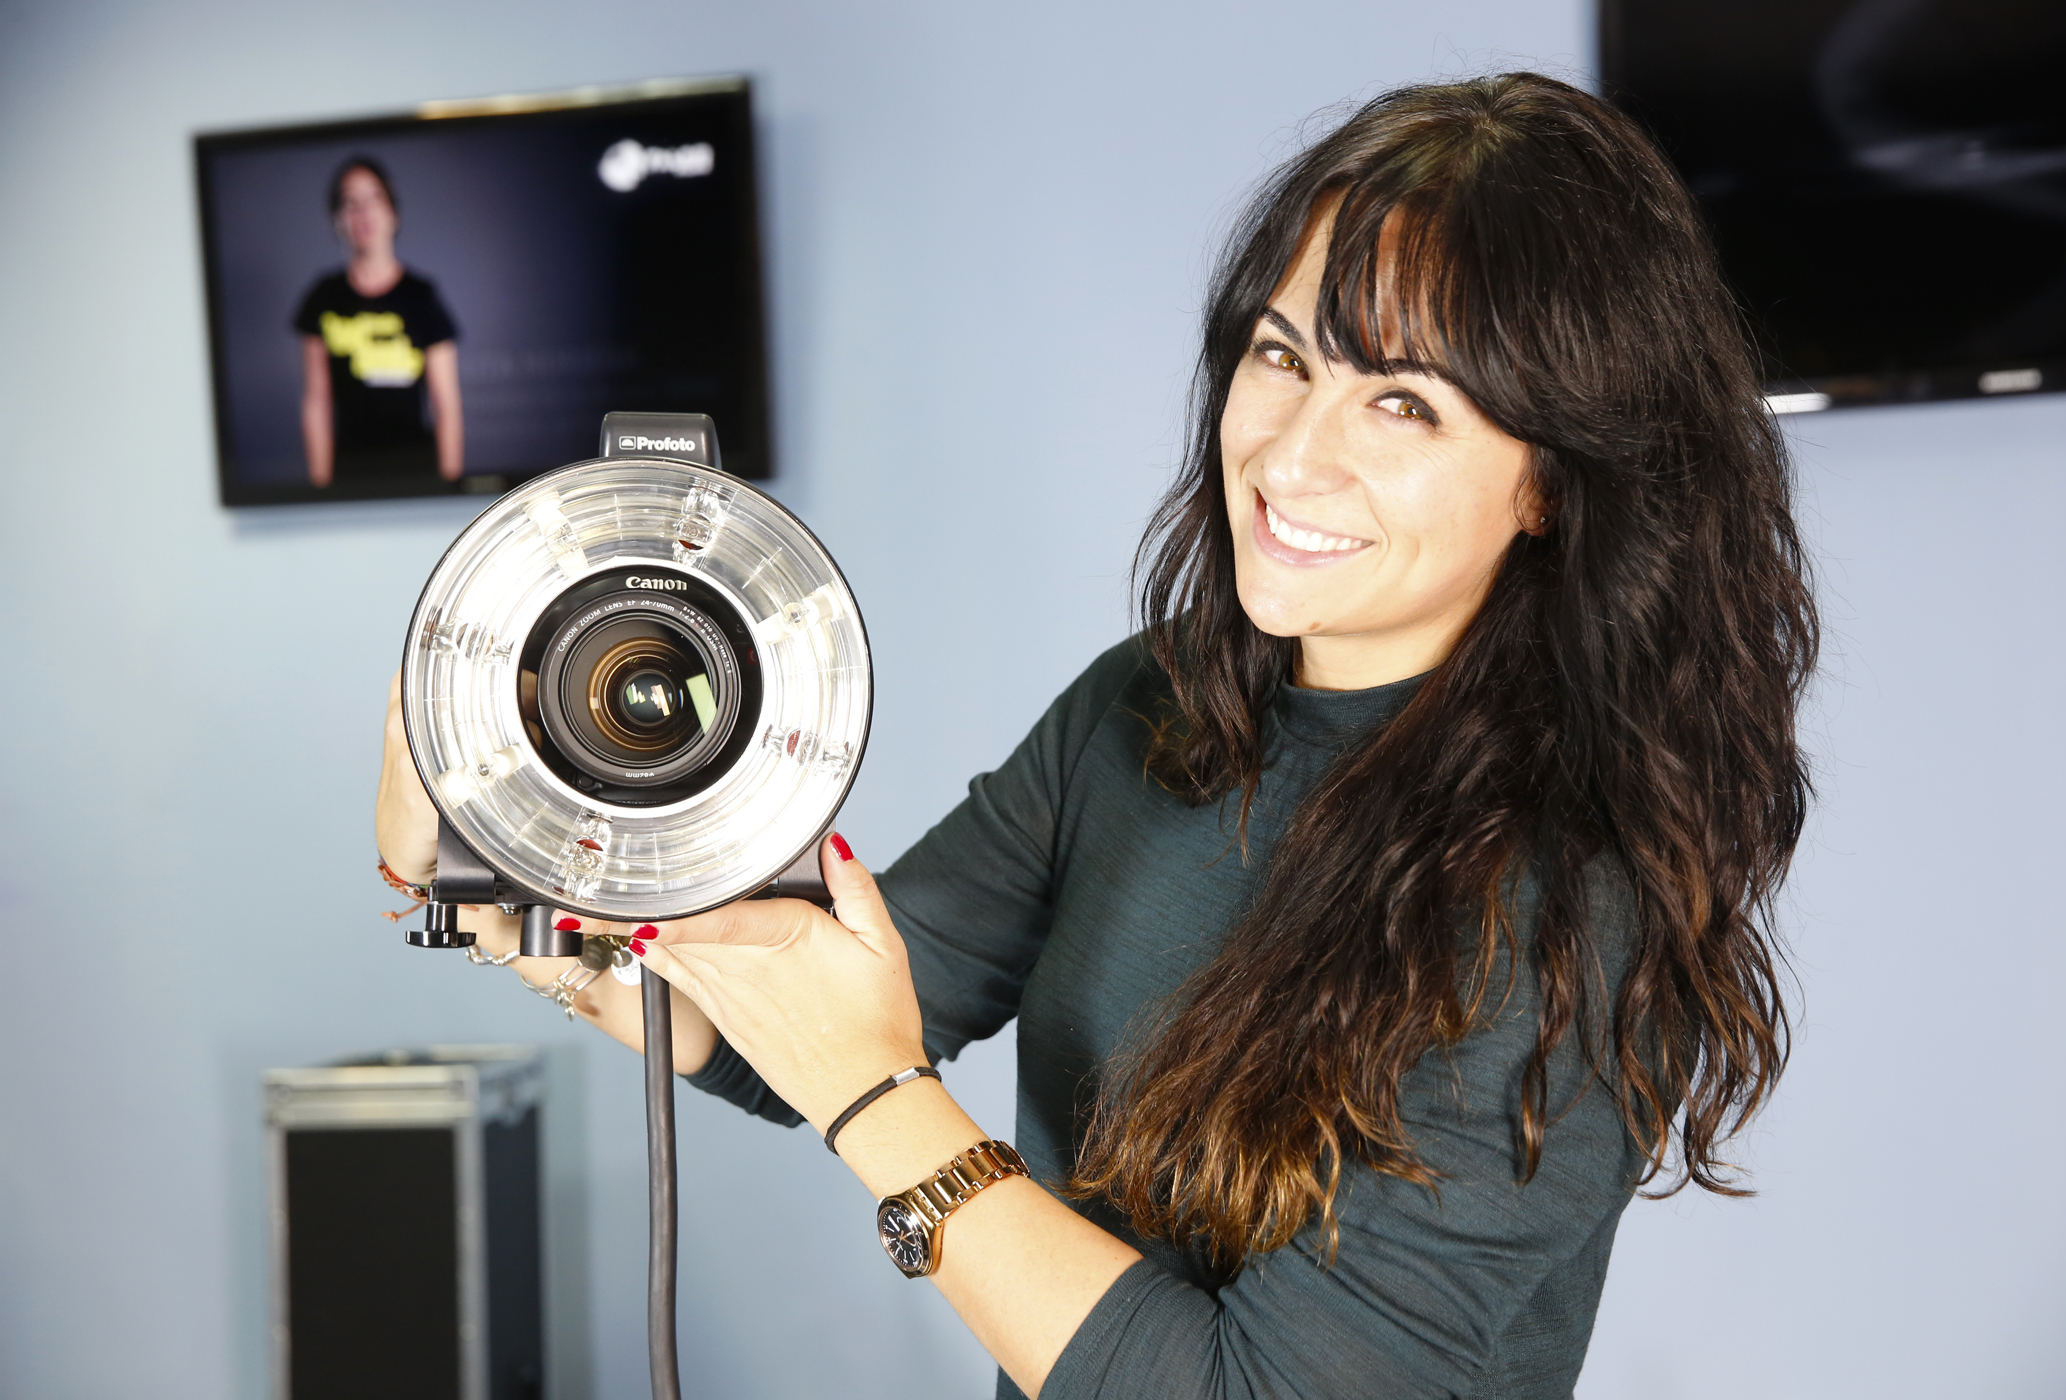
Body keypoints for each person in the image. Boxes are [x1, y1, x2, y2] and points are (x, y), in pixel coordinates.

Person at [376, 73, 1815, 1399]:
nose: (1291, 453)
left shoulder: (1574, 904)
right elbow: (790, 1018)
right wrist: (499, 859)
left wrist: (881, 1099)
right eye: (1282, 356)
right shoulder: (1153, 703)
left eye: (1402, 403)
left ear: (1553, 483)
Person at [295, 155, 463, 488]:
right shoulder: (324, 297)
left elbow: (446, 404)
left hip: (418, 474)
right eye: (351, 202)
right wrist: (321, 490)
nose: (364, 213)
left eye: (374, 198)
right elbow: (316, 401)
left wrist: (450, 488)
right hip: (349, 476)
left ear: (392, 212)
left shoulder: (421, 296)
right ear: (337, 219)